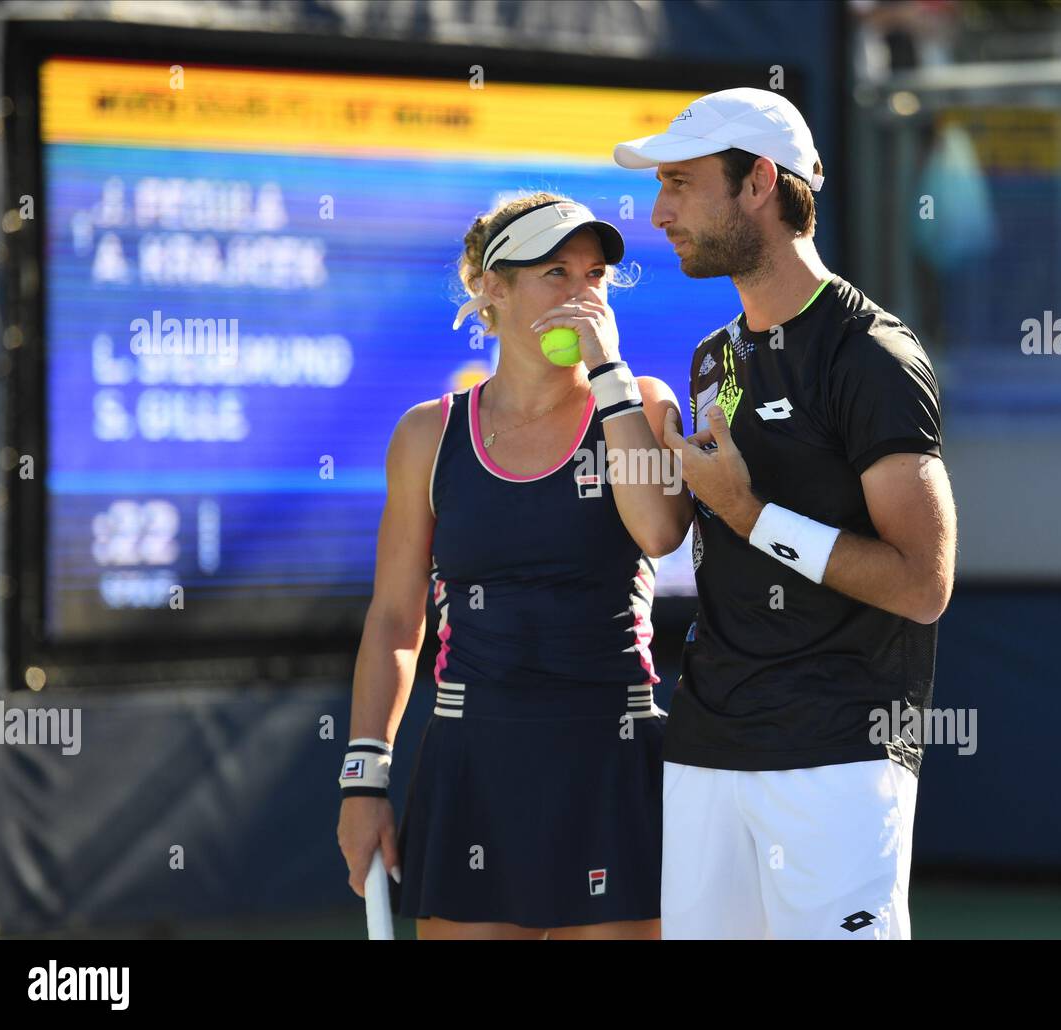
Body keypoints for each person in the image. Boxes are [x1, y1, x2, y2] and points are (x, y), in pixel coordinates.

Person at [613, 88, 957, 939]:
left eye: (681, 184)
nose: (659, 213)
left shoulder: (873, 355)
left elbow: (923, 584)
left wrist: (750, 512)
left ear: (760, 182)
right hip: (705, 747)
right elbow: (671, 534)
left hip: (839, 753)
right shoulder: (711, 358)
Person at [335, 193, 692, 940]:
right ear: (493, 289)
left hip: (614, 760)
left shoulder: (642, 402)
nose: (580, 295)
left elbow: (660, 533)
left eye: (593, 275)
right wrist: (364, 781)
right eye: (554, 273)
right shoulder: (427, 435)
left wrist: (611, 373)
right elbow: (397, 620)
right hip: (475, 764)